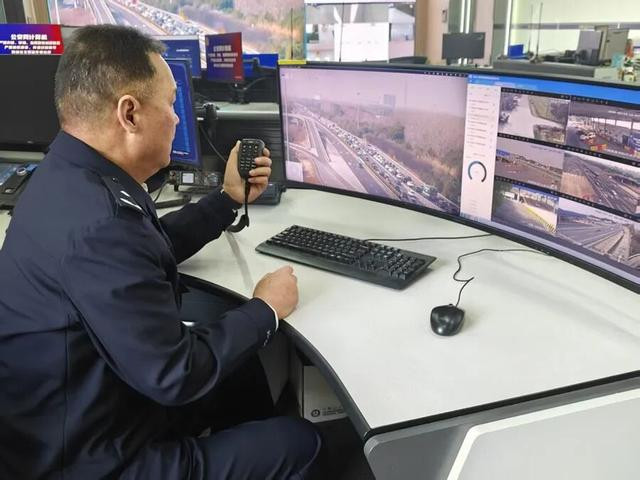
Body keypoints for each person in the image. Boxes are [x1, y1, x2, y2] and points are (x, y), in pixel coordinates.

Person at [0, 25, 320, 479]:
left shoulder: (69, 174)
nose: (177, 118)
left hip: (88, 406)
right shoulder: (100, 225)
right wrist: (265, 309)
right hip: (90, 459)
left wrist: (227, 199)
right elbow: (177, 374)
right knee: (301, 443)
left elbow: (145, 248)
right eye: (170, 104)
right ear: (129, 114)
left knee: (241, 368)